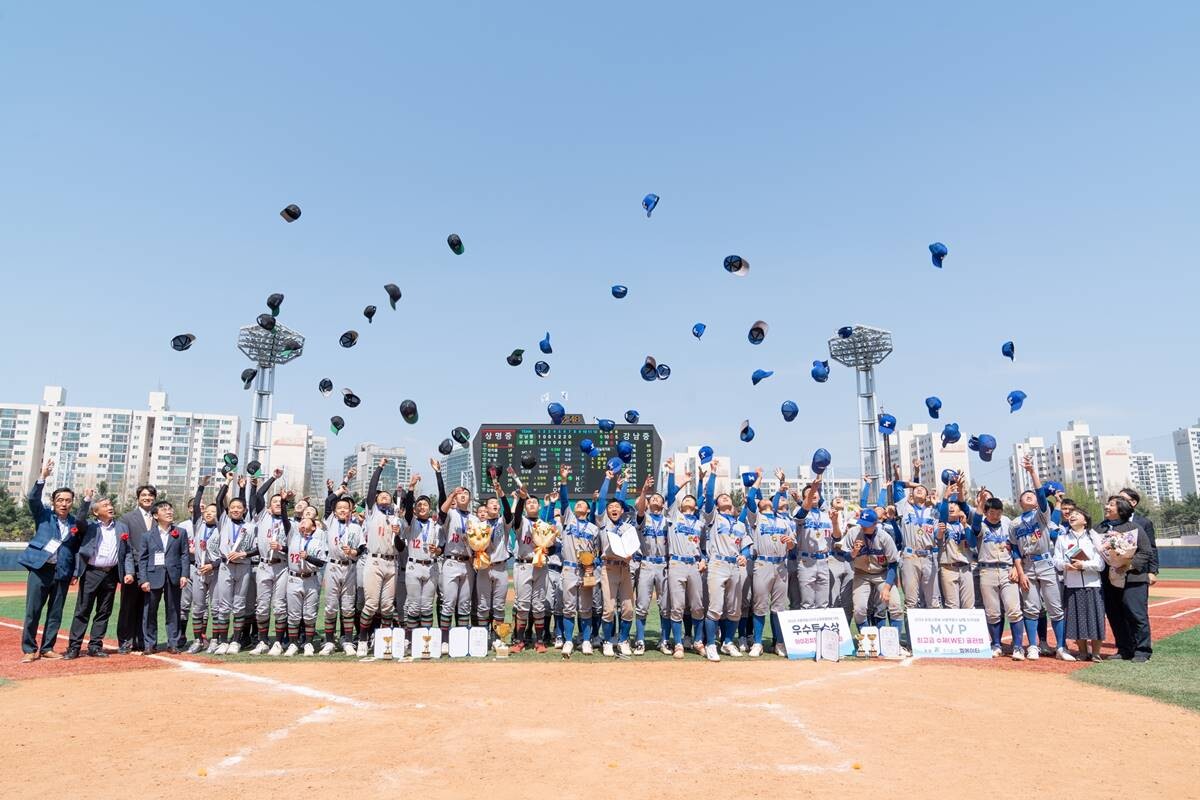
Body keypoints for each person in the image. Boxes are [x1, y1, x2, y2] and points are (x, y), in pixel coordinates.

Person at [19, 459, 86, 662]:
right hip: (40, 569)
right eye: (60, 500)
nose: (64, 504)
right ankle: (30, 649)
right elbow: (32, 499)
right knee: (33, 611)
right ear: (54, 501)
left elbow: (77, 550)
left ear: (71, 502)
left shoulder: (76, 523)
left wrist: (75, 572)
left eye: (68, 500)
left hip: (62, 571)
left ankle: (48, 648)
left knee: (55, 613)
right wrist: (43, 477)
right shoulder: (44, 515)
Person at [1010, 456, 1069, 660]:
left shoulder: (1042, 515)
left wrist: (1032, 472)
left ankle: (1061, 647)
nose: (1029, 496)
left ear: (1037, 502)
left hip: (1046, 563)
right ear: (1019, 502)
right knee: (1031, 607)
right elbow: (1014, 549)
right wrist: (1020, 572)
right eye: (1024, 495)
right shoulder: (1014, 523)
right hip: (1027, 565)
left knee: (1055, 607)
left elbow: (1041, 496)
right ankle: (1033, 645)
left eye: (1032, 495)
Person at [700, 460, 753, 662]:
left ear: (732, 504)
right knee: (715, 607)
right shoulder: (713, 518)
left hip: (734, 566)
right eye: (720, 497)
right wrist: (712, 474)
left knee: (735, 609)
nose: (723, 498)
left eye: (726, 497)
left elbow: (747, 547)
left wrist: (744, 556)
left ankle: (728, 642)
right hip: (718, 564)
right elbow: (708, 498)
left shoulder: (740, 524)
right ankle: (711, 644)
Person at [966, 495, 1026, 659]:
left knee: (1013, 609)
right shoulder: (981, 524)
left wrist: (1015, 566)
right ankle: (996, 644)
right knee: (992, 612)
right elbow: (973, 535)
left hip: (1007, 570)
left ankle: (1018, 647)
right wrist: (979, 507)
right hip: (987, 570)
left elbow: (1015, 546)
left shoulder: (1007, 522)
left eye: (998, 512)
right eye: (992, 512)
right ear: (986, 512)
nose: (995, 515)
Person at [1097, 496, 1154, 662]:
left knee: (1136, 614)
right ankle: (1124, 649)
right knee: (1115, 615)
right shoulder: (1100, 528)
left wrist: (1128, 565)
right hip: (1108, 579)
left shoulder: (1134, 528)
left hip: (1133, 579)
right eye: (1107, 504)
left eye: (1111, 505)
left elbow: (1146, 551)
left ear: (1121, 509)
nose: (1107, 507)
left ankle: (1142, 651)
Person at [746, 469, 795, 657]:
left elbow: (792, 543)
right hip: (763, 564)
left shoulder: (784, 521)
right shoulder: (757, 517)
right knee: (759, 605)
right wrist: (759, 478)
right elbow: (751, 497)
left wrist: (789, 543)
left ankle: (779, 643)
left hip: (781, 564)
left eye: (770, 498)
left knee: (779, 607)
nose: (766, 499)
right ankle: (757, 643)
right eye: (763, 500)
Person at [65, 489, 120, 659]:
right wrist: (87, 499)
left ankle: (95, 646)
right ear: (96, 512)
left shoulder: (121, 527)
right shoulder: (89, 525)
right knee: (83, 610)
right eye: (105, 505)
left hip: (111, 574)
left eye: (110, 504)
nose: (110, 507)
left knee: (104, 612)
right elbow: (79, 519)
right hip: (91, 573)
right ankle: (74, 647)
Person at [358, 459, 404, 657]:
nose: (384, 497)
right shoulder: (372, 511)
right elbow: (372, 488)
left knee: (387, 606)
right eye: (381, 496)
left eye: (388, 496)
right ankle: (362, 638)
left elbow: (400, 547)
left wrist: (398, 533)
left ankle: (383, 639)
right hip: (374, 561)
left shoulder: (396, 517)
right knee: (371, 604)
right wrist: (380, 467)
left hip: (391, 562)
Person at [133, 500, 190, 654]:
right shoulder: (147, 536)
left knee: (173, 610)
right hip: (153, 576)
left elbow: (184, 555)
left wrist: (185, 575)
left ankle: (173, 643)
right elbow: (142, 559)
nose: (169, 512)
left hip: (174, 576)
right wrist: (143, 579)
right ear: (156, 515)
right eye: (164, 510)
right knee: (150, 611)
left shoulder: (180, 533)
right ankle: (150, 644)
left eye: (170, 509)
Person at [555, 466, 599, 658]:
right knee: (568, 607)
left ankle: (587, 641)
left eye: (583, 503)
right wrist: (564, 480)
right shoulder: (569, 521)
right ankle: (568, 641)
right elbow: (564, 500)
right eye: (577, 503)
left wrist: (593, 563)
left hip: (586, 571)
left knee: (586, 608)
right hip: (569, 569)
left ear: (588, 510)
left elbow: (597, 553)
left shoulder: (593, 529)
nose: (579, 505)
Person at [834, 507, 899, 636]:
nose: (863, 527)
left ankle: (893, 641)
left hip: (882, 573)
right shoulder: (853, 532)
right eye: (862, 524)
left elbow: (893, 563)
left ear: (875, 524)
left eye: (867, 525)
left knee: (895, 604)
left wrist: (886, 588)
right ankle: (866, 642)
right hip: (861, 574)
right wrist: (853, 553)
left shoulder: (884, 537)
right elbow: (845, 556)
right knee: (859, 609)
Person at [1052, 508, 1106, 661]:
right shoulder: (1062, 538)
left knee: (1095, 618)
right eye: (1071, 515)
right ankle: (1082, 652)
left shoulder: (1093, 537)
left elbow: (1101, 563)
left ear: (1085, 520)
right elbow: (1056, 560)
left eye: (1077, 514)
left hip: (1093, 584)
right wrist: (1064, 565)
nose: (1072, 516)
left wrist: (1084, 565)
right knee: (1077, 619)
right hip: (1072, 584)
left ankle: (1095, 653)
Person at [596, 471, 636, 657]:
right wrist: (608, 479)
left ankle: (623, 640)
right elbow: (602, 499)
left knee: (628, 608)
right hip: (608, 568)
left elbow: (633, 546)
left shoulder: (628, 527)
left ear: (621, 510)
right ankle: (607, 641)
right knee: (609, 608)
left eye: (617, 507)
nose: (613, 508)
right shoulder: (603, 522)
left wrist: (631, 555)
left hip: (625, 569)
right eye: (610, 506)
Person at [401, 469, 442, 650]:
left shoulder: (436, 524)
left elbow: (442, 547)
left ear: (430, 508)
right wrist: (411, 488)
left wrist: (439, 549)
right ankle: (410, 638)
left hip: (431, 566)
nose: (422, 507)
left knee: (427, 605)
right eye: (419, 505)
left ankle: (425, 639)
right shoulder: (411, 522)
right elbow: (408, 507)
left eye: (425, 504)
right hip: (414, 566)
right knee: (413, 605)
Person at [321, 479, 363, 656]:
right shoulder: (330, 522)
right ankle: (329, 641)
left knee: (347, 607)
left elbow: (361, 548)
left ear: (351, 510)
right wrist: (340, 490)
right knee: (330, 606)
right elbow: (328, 502)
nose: (343, 510)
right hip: (332, 566)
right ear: (335, 511)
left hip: (349, 567)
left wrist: (353, 551)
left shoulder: (356, 527)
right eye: (340, 508)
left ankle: (347, 640)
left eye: (346, 508)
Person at [211, 477, 252, 654]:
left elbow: (258, 549)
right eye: (233, 507)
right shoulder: (223, 522)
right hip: (226, 567)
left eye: (239, 508)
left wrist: (244, 554)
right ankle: (222, 640)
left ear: (245, 510)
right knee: (223, 604)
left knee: (240, 604)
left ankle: (235, 641)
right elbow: (219, 500)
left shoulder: (251, 526)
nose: (235, 509)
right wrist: (228, 482)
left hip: (243, 567)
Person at [185, 477, 227, 654]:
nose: (209, 513)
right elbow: (196, 506)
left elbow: (224, 554)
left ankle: (215, 640)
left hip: (215, 570)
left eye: (213, 511)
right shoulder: (197, 525)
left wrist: (226, 484)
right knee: (198, 607)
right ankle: (198, 639)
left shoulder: (222, 527)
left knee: (216, 607)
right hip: (198, 570)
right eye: (206, 511)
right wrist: (201, 486)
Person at [250, 469, 288, 655]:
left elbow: (293, 547)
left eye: (280, 502)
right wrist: (274, 478)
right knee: (262, 605)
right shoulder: (263, 516)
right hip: (264, 565)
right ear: (269, 506)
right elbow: (258, 494)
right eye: (274, 502)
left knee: (280, 605)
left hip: (282, 566)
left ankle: (278, 642)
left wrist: (282, 547)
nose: (278, 504)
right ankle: (263, 640)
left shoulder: (289, 522)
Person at [116, 483, 157, 654]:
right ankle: (125, 640)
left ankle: (142, 640)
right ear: (138, 498)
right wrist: (130, 570)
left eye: (150, 496)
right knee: (128, 606)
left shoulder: (158, 518)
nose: (147, 498)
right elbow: (126, 546)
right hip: (133, 569)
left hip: (152, 571)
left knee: (147, 607)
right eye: (144, 495)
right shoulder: (127, 518)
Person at [633, 474, 671, 655]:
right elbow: (640, 508)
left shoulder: (668, 521)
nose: (654, 499)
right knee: (642, 603)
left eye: (658, 498)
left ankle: (664, 641)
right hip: (646, 563)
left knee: (665, 605)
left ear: (663, 505)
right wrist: (644, 491)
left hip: (663, 563)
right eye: (652, 498)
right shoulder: (643, 517)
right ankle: (640, 640)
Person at [284, 505, 324, 656]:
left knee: (309, 615)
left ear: (314, 527)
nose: (302, 523)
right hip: (294, 578)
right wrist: (284, 502)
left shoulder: (317, 542)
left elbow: (321, 563)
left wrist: (308, 557)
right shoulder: (293, 536)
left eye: (307, 521)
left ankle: (308, 643)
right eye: (301, 521)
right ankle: (293, 644)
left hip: (311, 579)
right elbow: (285, 521)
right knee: (293, 615)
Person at [935, 475, 977, 610]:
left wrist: (965, 525)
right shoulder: (943, 524)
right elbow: (942, 516)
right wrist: (945, 498)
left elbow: (972, 543)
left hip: (965, 568)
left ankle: (971, 632)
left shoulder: (965, 525)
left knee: (969, 606)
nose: (952, 507)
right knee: (952, 606)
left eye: (955, 504)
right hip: (949, 567)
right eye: (950, 505)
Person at [1118, 488, 1159, 585]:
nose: (1118, 502)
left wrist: (1152, 571)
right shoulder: (1111, 523)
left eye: (1122, 498)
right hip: (1115, 573)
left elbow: (1151, 548)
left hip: (1137, 573)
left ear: (1133, 502)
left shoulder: (1144, 523)